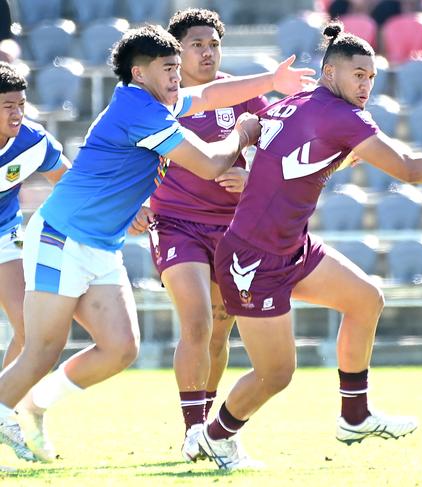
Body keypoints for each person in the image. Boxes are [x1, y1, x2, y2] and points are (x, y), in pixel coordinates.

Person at [195, 21, 422, 470]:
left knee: (365, 300)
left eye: (372, 77)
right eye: (358, 75)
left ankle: (354, 416)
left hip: (289, 247)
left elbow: (273, 142)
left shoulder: (301, 102)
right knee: (276, 374)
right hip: (253, 257)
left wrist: (256, 166)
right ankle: (214, 436)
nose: (366, 85)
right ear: (329, 74)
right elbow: (410, 169)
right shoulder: (341, 116)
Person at [0, 23, 314, 463]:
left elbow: (206, 97)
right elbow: (209, 164)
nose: (176, 77)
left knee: (120, 348)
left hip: (100, 246)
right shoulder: (140, 111)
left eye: (175, 68)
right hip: (61, 238)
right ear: (139, 72)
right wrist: (242, 134)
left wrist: (272, 83)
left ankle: (33, 407)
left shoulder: (151, 100)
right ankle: (8, 414)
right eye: (168, 68)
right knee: (41, 349)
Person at [128, 8, 268, 462]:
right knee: (197, 322)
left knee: (219, 331)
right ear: (176, 51)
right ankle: (193, 432)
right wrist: (134, 200)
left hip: (232, 227)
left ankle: (212, 431)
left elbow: (280, 150)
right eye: (196, 45)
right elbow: (118, 152)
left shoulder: (239, 95)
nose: (206, 53)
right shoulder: (153, 98)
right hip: (175, 224)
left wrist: (251, 178)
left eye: (213, 45)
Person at [0, 62, 70, 462]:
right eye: (7, 105)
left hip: (4, 235)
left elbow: (70, 183)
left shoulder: (32, 141)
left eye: (21, 105)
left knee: (32, 332)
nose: (17, 113)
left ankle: (4, 411)